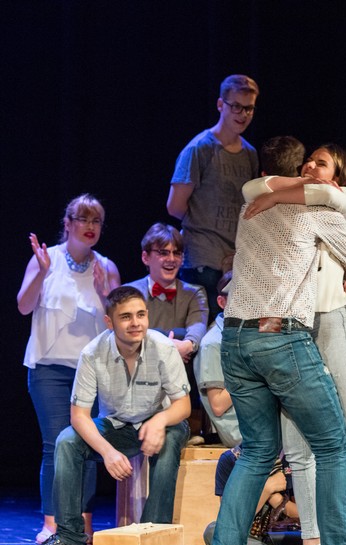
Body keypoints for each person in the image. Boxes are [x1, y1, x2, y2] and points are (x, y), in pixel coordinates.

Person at [195, 155, 346, 545]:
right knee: (333, 445)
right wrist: (342, 266)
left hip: (236, 337)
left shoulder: (251, 205)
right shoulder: (320, 211)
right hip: (280, 336)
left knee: (256, 453)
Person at [243, 141, 346, 545]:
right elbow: (251, 189)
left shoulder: (342, 201)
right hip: (292, 333)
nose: (310, 165)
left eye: (321, 163)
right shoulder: (294, 212)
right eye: (307, 160)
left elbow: (316, 193)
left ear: (340, 176)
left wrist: (274, 195)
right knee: (299, 449)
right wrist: (275, 196)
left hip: (331, 325)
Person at [20, 286, 191, 545]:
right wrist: (108, 452)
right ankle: (70, 538)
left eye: (141, 315)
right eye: (126, 317)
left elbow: (183, 406)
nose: (136, 323)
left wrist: (160, 420)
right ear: (109, 322)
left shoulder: (163, 348)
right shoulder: (92, 353)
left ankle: (153, 534)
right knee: (66, 441)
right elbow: (79, 416)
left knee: (170, 438)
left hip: (160, 423)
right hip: (117, 426)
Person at [17, 194, 121, 545]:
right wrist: (41, 272)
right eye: (83, 219)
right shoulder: (47, 259)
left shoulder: (106, 267)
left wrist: (105, 292)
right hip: (48, 368)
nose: (90, 227)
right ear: (68, 223)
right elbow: (23, 306)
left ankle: (84, 525)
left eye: (96, 221)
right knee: (54, 444)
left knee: (86, 445)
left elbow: (118, 324)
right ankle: (52, 523)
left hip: (89, 371)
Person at [166, 74, 259, 320]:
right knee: (201, 330)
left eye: (248, 108)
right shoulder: (200, 148)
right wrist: (205, 222)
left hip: (234, 262)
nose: (242, 114)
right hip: (202, 260)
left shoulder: (249, 153)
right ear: (220, 105)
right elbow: (175, 206)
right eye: (236, 106)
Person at [203, 446, 300, 545]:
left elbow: (301, 515)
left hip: (283, 536)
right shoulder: (230, 459)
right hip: (250, 538)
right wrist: (266, 490)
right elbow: (230, 519)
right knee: (213, 531)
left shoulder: (290, 458)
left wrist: (277, 500)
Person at [127, 223, 208, 363]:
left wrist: (186, 346)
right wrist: (168, 351)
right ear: (145, 257)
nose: (171, 259)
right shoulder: (128, 294)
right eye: (163, 253)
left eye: (176, 253)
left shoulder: (194, 293)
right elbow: (126, 338)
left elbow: (197, 327)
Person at [193, 271, 242, 447]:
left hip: (261, 419)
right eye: (238, 297)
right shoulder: (213, 343)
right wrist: (252, 373)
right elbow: (218, 405)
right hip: (241, 431)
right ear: (222, 302)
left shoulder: (247, 335)